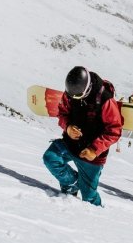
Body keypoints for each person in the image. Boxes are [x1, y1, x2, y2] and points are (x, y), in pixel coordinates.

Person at [42, 66, 123, 206]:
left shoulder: (105, 100)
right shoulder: (71, 93)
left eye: (77, 97)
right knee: (51, 158)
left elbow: (114, 130)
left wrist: (94, 149)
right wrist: (67, 128)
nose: (72, 99)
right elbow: (62, 113)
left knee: (89, 199)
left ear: (87, 89)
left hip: (92, 156)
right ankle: (71, 184)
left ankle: (99, 219)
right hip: (71, 144)